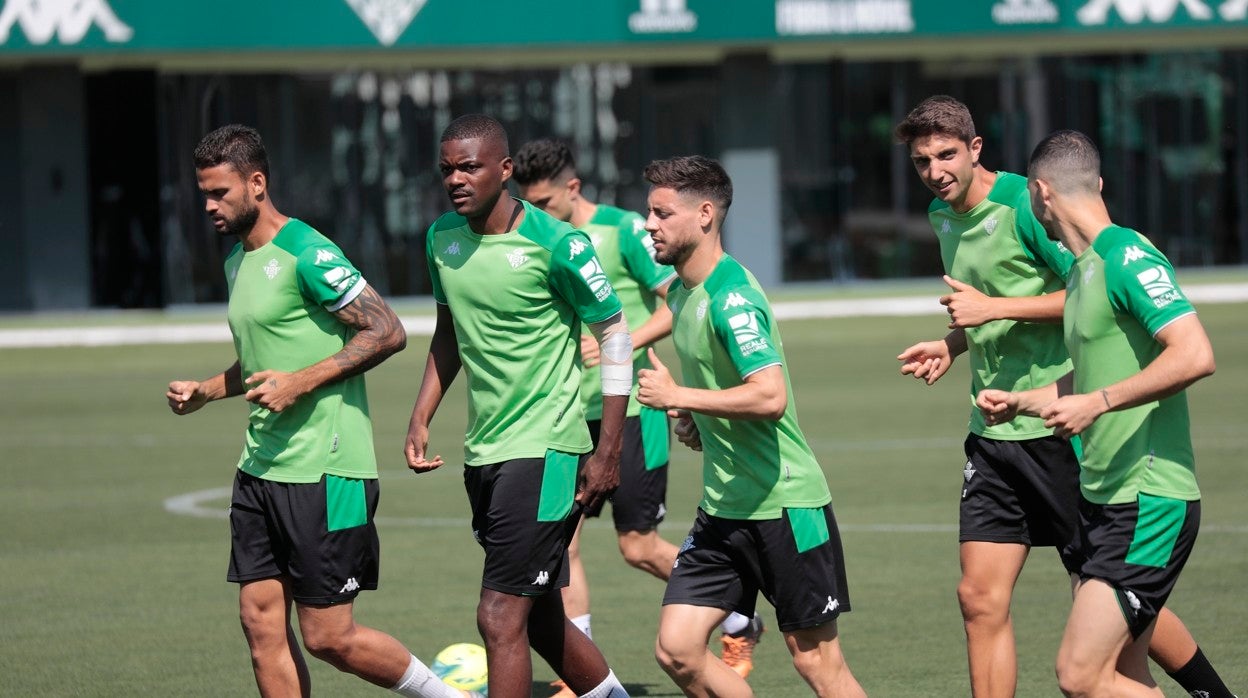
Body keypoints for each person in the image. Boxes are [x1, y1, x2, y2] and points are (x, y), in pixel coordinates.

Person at [894, 97, 1232, 698]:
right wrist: (955, 342)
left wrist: (997, 314)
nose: (935, 170)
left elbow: (1079, 293)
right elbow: (1015, 305)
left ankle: (1209, 689)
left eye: (946, 154)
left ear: (976, 150)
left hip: (1067, 439)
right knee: (979, 597)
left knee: (1108, 608)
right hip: (1002, 428)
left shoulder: (1040, 211)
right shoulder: (942, 218)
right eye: (922, 161)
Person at [166, 124, 476, 698]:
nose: (208, 205)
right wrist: (208, 390)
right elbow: (267, 360)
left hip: (326, 471)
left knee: (329, 637)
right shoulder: (239, 262)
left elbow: (387, 331)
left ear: (256, 184)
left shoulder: (307, 252)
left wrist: (301, 383)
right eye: (203, 193)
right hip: (260, 468)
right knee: (260, 624)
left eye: (219, 193)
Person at [512, 140, 765, 694]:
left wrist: (618, 344)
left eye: (546, 202)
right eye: (527, 203)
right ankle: (573, 675)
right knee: (563, 546)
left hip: (629, 411)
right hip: (568, 416)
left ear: (572, 189)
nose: (537, 212)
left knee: (638, 547)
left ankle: (739, 617)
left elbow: (676, 297)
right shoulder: (534, 238)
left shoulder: (623, 231)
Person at [976, 129, 1217, 697]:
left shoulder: (1127, 255)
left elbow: (1196, 352)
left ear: (1038, 194)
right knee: (1125, 676)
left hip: (1150, 497)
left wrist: (1099, 402)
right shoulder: (1083, 272)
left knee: (1080, 676)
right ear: (1098, 184)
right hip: (1105, 500)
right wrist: (1028, 399)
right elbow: (1092, 377)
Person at [403, 114, 630, 698]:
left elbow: (615, 334)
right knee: (543, 620)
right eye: (447, 168)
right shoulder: (441, 240)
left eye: (470, 166)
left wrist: (608, 449)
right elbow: (449, 330)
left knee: (500, 616)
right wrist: (422, 413)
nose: (456, 179)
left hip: (548, 450)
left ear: (504, 171)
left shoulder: (558, 244)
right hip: (487, 452)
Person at [635, 155, 865, 698]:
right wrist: (696, 418)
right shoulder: (684, 292)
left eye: (663, 213)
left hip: (786, 505)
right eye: (650, 212)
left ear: (706, 215)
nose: (650, 224)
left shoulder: (731, 297)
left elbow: (770, 395)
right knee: (678, 649)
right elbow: (729, 393)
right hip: (724, 509)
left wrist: (678, 395)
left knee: (817, 664)